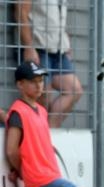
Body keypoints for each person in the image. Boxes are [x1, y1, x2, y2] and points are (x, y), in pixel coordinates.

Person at [15, 0, 83, 128]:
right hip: (39, 47)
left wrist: (66, 43)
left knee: (74, 90)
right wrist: (29, 47)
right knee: (42, 93)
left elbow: (59, 18)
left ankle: (49, 131)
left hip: (59, 50)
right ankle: (37, 130)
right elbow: (21, 12)